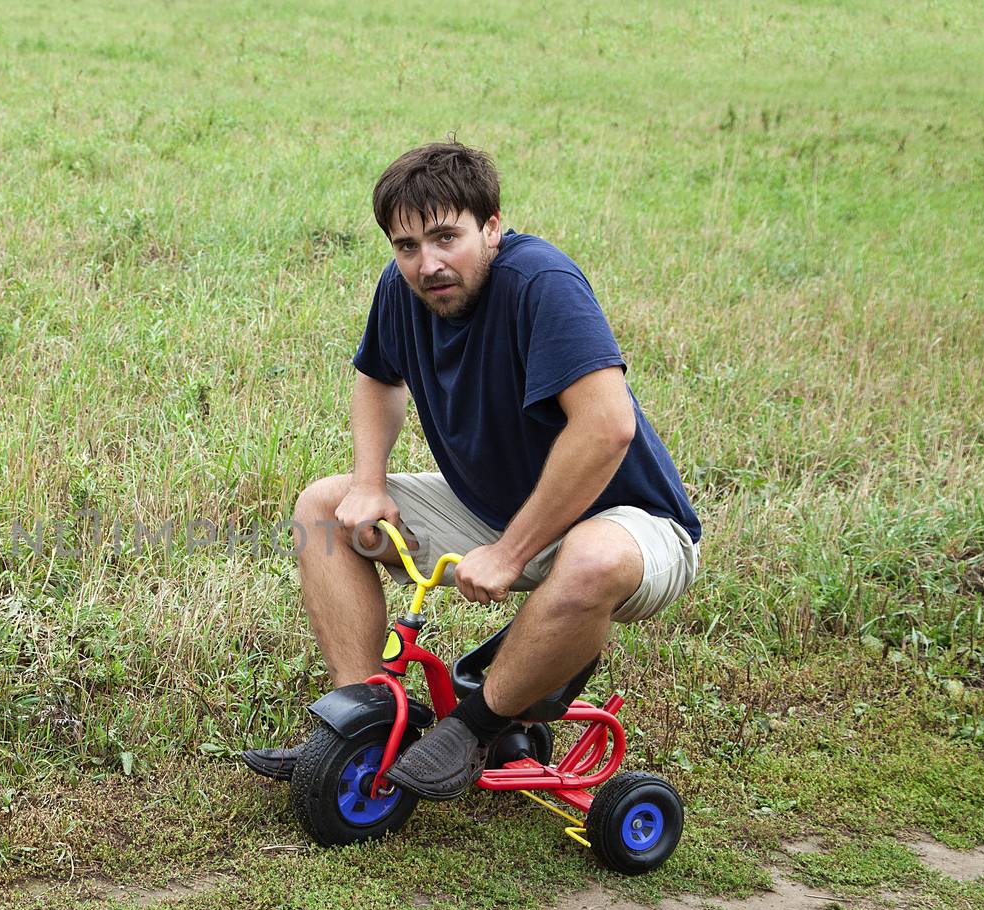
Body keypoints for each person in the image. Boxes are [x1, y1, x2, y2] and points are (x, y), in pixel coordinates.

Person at [242, 141, 701, 800]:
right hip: (497, 511)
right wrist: (370, 482)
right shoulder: (403, 289)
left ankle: (471, 728)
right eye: (405, 246)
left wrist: (511, 552)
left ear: (491, 226)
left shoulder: (541, 283)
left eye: (445, 237)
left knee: (592, 558)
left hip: (630, 524)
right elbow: (377, 378)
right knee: (323, 508)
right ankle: (361, 722)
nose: (426, 264)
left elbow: (607, 427)